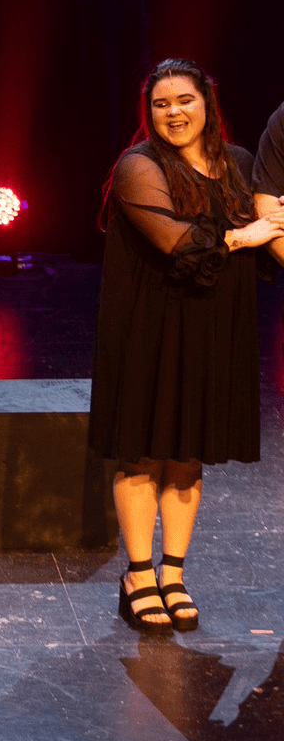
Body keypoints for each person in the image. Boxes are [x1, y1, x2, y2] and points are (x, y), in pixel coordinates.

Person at [89, 58, 284, 634]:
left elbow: (272, 220)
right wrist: (241, 234)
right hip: (152, 324)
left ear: (208, 104)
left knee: (188, 453)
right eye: (161, 104)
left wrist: (261, 229)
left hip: (213, 326)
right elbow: (177, 242)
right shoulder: (138, 165)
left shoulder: (240, 164)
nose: (174, 113)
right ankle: (138, 574)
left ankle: (173, 573)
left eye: (184, 101)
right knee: (143, 450)